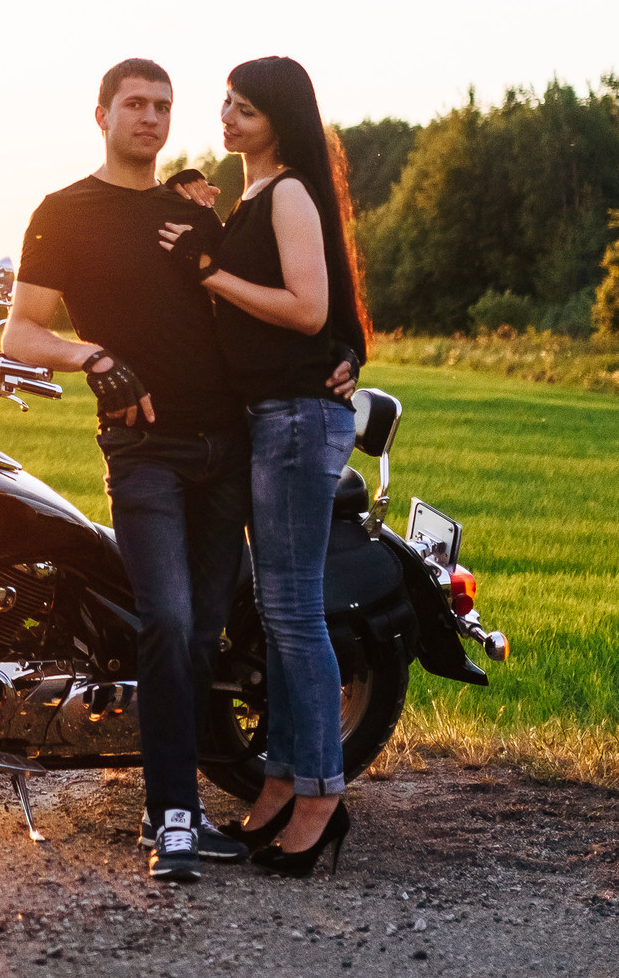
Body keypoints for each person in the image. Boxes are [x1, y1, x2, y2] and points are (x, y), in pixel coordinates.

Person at [2, 59, 256, 882]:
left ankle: (175, 803)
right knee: (169, 620)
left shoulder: (191, 210)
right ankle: (174, 816)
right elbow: (20, 333)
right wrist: (94, 355)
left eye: (162, 106)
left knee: (204, 631)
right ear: (102, 114)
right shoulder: (62, 212)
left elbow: (237, 303)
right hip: (143, 451)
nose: (150, 116)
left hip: (225, 446)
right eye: (135, 103)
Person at [160, 56, 369, 880]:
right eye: (225, 102)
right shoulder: (251, 196)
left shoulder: (287, 193)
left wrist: (211, 271)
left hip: (295, 418)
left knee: (293, 615)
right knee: (278, 618)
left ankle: (320, 796)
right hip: (270, 417)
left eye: (244, 107)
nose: (226, 115)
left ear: (279, 118)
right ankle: (283, 778)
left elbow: (310, 311)